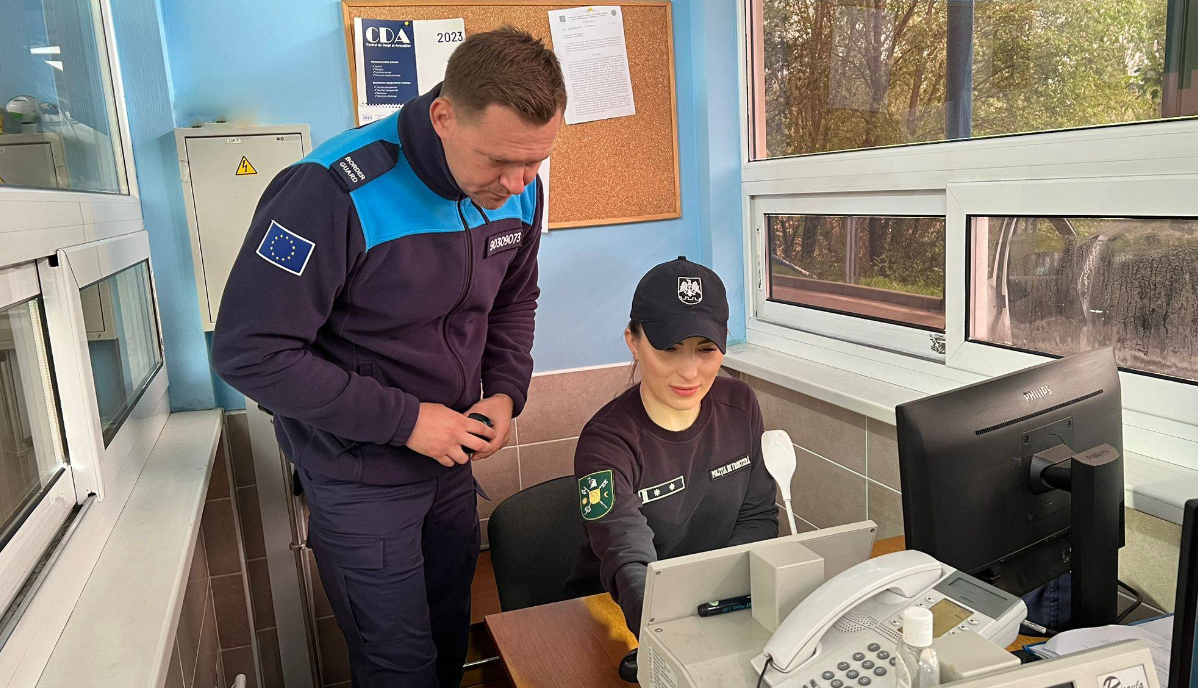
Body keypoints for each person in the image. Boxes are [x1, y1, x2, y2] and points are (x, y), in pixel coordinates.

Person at [211, 28, 565, 688]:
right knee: (399, 669)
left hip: (451, 461)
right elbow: (249, 351)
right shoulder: (330, 192)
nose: (517, 182)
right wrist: (406, 421)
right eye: (499, 161)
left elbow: (514, 300)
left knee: (448, 643)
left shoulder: (520, 187)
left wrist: (505, 391)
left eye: (536, 161)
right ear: (444, 117)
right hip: (360, 477)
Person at [565, 257, 780, 640]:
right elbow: (628, 559)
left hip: (713, 605)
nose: (689, 372)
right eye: (669, 349)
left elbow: (757, 518)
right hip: (617, 616)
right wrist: (669, 637)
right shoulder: (605, 441)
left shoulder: (740, 405)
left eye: (706, 350)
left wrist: (724, 605)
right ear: (633, 341)